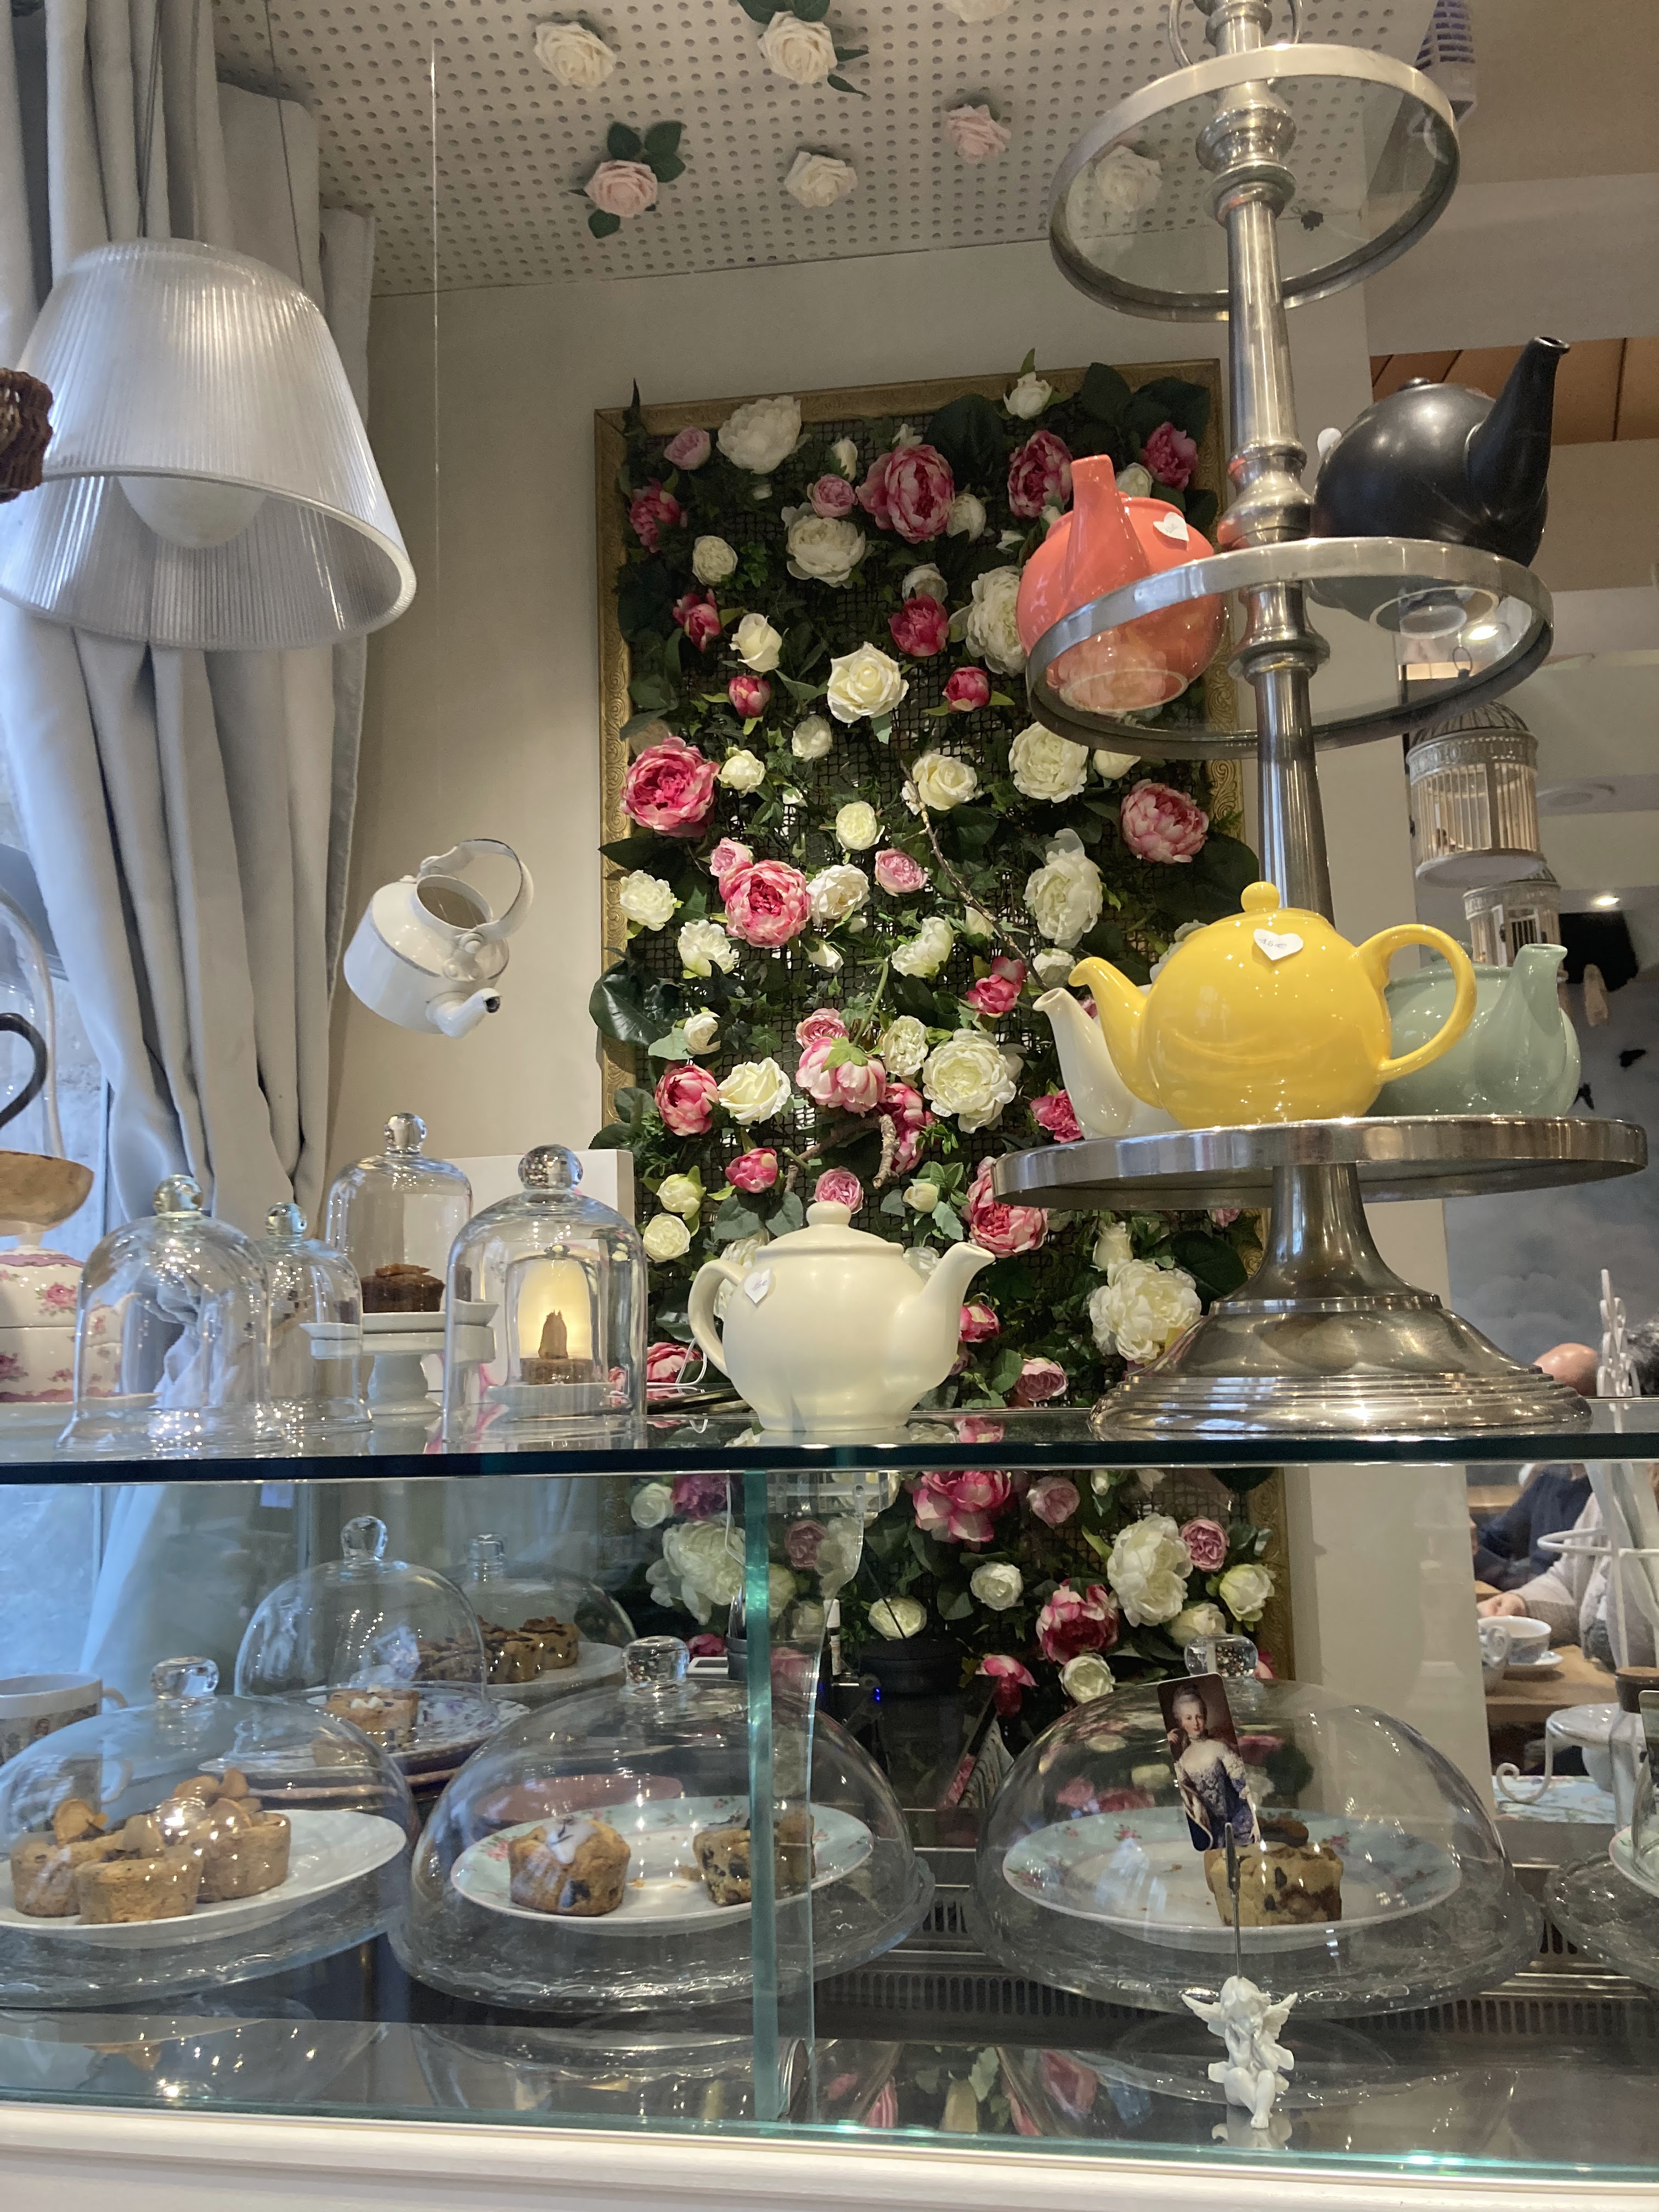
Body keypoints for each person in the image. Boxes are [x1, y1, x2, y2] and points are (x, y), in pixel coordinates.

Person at [1166, 1682, 1257, 1852]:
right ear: (1181, 1722)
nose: (1196, 1723)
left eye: (1199, 1717)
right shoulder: (1183, 1761)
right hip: (1212, 1834)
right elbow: (1177, 1797)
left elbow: (1244, 1786)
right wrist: (1166, 1745)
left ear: (1205, 1717)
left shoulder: (1218, 1748)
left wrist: (1257, 1822)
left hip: (1240, 1824)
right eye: (1189, 1718)